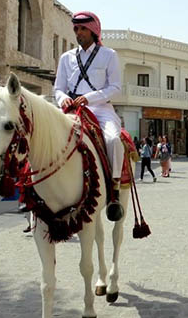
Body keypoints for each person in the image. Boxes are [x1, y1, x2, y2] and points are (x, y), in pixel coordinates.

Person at [53, 11, 124, 219]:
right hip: (71, 109)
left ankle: (115, 190)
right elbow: (58, 88)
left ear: (93, 30)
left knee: (113, 139)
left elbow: (116, 87)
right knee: (42, 134)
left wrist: (90, 98)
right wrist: (62, 99)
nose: (78, 32)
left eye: (83, 28)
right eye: (76, 28)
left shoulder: (109, 55)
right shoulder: (66, 58)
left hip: (100, 109)